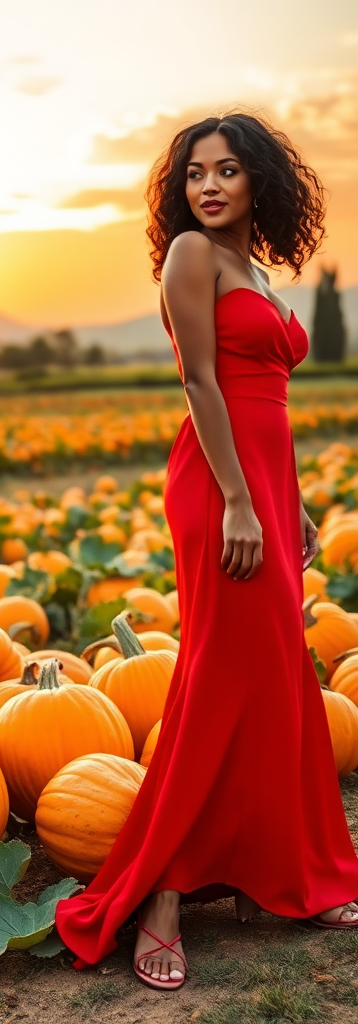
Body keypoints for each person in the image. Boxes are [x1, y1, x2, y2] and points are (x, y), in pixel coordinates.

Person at [54, 110, 358, 991]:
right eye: (195, 174)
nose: (210, 186)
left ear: (260, 179)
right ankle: (163, 898)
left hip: (260, 491)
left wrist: (286, 502)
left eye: (226, 170)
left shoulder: (252, 267)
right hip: (217, 490)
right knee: (223, 682)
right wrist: (235, 499)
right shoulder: (192, 256)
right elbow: (201, 382)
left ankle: (281, 877)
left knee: (274, 679)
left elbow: (272, 404)